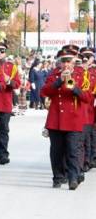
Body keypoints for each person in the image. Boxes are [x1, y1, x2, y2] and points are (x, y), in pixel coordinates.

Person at [41, 48, 89, 190]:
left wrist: (73, 87)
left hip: (73, 119)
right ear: (60, 63)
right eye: (63, 61)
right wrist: (59, 81)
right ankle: (58, 177)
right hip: (56, 119)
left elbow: (87, 98)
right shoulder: (54, 75)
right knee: (56, 151)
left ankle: (73, 178)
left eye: (69, 61)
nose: (66, 64)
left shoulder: (81, 76)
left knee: (72, 150)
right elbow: (44, 91)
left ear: (74, 62)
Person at [0, 42, 21, 165]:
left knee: (3, 130)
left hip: (5, 103)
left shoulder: (11, 67)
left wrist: (8, 79)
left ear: (5, 52)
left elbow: (17, 84)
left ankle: (3, 154)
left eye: (2, 51)